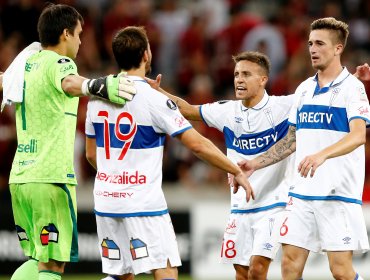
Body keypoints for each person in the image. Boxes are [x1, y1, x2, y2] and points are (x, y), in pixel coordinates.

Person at [146, 52, 370, 280]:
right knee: (244, 274)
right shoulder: (227, 111)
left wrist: (352, 78)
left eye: (246, 74)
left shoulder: (284, 106)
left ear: (263, 80)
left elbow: (322, 96)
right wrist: (158, 93)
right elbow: (187, 109)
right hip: (241, 205)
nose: (238, 80)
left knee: (258, 267)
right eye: (236, 75)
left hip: (276, 203)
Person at [84, 26, 254, 280]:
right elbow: (197, 144)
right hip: (143, 203)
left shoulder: (96, 99)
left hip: (107, 199)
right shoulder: (152, 99)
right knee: (165, 269)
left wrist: (116, 178)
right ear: (145, 54)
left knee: (121, 274)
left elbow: (90, 154)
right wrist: (235, 169)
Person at [0, 4, 136, 280]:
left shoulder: (25, 63)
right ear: (65, 33)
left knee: (39, 258)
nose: (80, 40)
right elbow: (70, 82)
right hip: (51, 177)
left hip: (22, 178)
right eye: (78, 33)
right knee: (53, 265)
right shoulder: (59, 62)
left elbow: (3, 81)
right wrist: (100, 86)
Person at [239, 17, 370, 280]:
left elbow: (358, 136)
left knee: (341, 272)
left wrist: (322, 154)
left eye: (320, 43)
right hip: (301, 194)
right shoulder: (304, 89)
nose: (312, 49)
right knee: (289, 266)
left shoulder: (353, 89)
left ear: (337, 49)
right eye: (310, 43)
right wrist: (256, 162)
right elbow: (291, 140)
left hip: (337, 194)